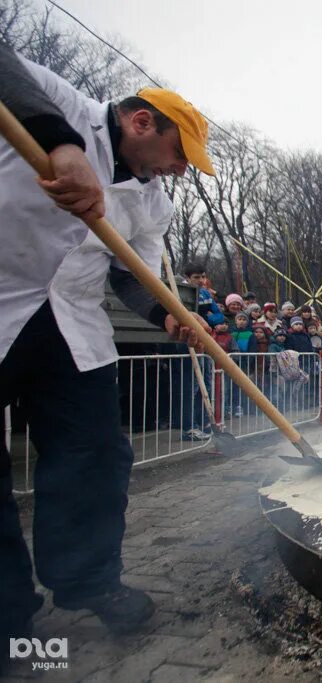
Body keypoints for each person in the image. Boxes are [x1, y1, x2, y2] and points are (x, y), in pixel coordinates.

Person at [0, 45, 215, 641]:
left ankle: (89, 578)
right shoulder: (59, 104)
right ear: (141, 122)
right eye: (179, 154)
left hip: (71, 322)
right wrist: (61, 146)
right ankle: (6, 613)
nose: (179, 169)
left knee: (97, 453)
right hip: (4, 295)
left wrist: (166, 316)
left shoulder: (153, 200)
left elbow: (133, 275)